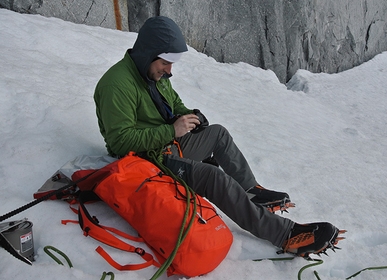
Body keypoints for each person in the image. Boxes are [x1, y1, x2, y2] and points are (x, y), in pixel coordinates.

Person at [94, 16, 344, 257]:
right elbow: (120, 143)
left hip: (166, 146)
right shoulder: (116, 85)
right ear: (148, 53)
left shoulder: (153, 73)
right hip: (143, 163)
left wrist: (191, 116)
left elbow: (174, 103)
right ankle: (286, 235)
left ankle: (250, 190)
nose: (169, 71)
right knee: (213, 177)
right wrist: (172, 130)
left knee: (218, 134)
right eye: (165, 63)